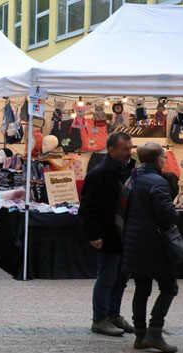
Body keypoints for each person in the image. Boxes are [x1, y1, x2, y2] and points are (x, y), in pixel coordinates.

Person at [122, 142, 181, 353]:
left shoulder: (132, 178)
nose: (165, 161)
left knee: (142, 289)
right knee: (169, 288)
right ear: (159, 159)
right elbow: (167, 214)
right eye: (164, 158)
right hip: (156, 245)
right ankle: (155, 333)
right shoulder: (158, 181)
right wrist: (176, 213)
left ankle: (140, 335)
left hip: (134, 242)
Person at [79, 132, 135, 337]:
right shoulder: (98, 174)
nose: (129, 152)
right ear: (111, 150)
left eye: (130, 148)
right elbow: (87, 208)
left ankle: (114, 314)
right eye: (125, 149)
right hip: (107, 234)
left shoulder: (126, 170)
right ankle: (99, 319)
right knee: (107, 277)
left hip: (124, 235)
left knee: (121, 278)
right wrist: (93, 235)